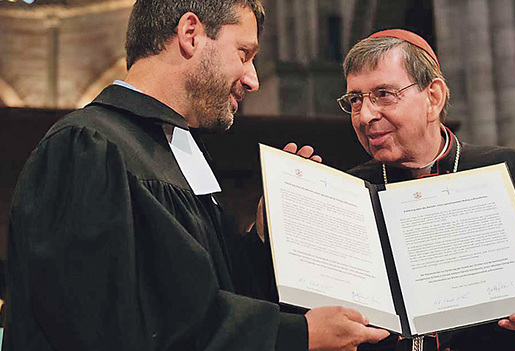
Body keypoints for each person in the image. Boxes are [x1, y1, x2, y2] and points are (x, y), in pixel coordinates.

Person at [3, 1, 390, 350]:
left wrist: (262, 235)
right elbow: (115, 327)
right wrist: (295, 335)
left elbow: (207, 286)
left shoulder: (179, 147)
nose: (253, 79)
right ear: (191, 34)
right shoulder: (86, 146)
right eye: (244, 53)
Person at [336, 29, 515, 351]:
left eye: (383, 94)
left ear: (433, 97)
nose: (365, 115)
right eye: (355, 100)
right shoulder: (348, 193)